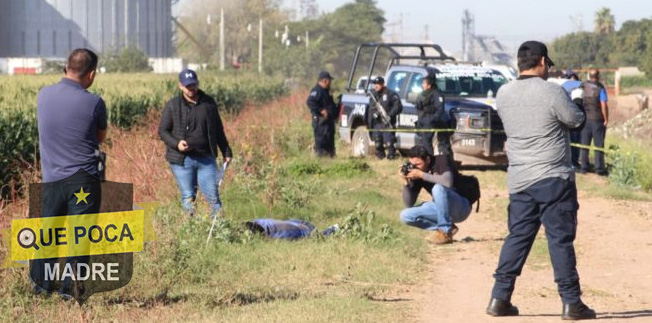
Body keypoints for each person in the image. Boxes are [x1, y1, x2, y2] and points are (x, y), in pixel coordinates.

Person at [486, 41, 595, 320]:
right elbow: (576, 121)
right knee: (560, 240)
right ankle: (571, 303)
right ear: (544, 62)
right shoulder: (552, 91)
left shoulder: (503, 92)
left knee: (518, 238)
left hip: (520, 179)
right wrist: (579, 100)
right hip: (553, 179)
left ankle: (499, 298)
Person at [35, 48, 107, 298]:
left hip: (51, 178)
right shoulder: (94, 102)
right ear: (92, 74)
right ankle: (71, 290)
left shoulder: (43, 95)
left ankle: (41, 286)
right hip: (83, 180)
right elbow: (100, 137)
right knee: (80, 235)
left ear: (66, 68)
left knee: (48, 233)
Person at [159, 69, 232, 219]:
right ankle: (192, 229)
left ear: (197, 83)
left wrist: (226, 151)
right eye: (187, 86)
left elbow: (218, 128)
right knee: (188, 197)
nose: (191, 88)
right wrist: (177, 144)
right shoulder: (173, 105)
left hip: (206, 159)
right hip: (182, 160)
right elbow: (163, 131)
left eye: (193, 84)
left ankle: (218, 230)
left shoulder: (208, 103)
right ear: (180, 86)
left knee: (213, 198)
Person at [399, 145, 471, 244]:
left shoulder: (441, 160)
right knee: (405, 215)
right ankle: (450, 228)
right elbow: (409, 203)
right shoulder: (416, 173)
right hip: (442, 208)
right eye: (412, 164)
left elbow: (447, 182)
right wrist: (406, 184)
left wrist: (422, 175)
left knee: (438, 188)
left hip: (461, 206)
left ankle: (445, 232)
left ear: (428, 160)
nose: (414, 168)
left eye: (418, 164)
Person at [578, 69, 609, 176]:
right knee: (599, 145)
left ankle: (583, 167)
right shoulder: (600, 88)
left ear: (589, 76)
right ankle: (599, 169)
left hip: (585, 120)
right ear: (598, 76)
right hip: (597, 120)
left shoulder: (583, 86)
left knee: (584, 144)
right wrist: (606, 119)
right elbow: (603, 104)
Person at [415, 73, 451, 158]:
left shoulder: (436, 94)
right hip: (422, 121)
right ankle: (424, 159)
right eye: (422, 83)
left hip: (430, 122)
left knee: (427, 143)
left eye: (424, 83)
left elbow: (439, 110)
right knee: (422, 142)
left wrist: (431, 119)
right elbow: (418, 107)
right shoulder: (422, 94)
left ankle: (430, 160)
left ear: (429, 85)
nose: (422, 85)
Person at [369, 76, 402, 159]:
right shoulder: (374, 95)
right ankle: (380, 157)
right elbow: (371, 107)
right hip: (378, 123)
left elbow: (398, 106)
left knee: (389, 142)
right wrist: (375, 113)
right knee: (378, 142)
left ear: (383, 84)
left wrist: (390, 115)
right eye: (375, 84)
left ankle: (391, 157)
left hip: (388, 123)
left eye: (378, 84)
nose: (376, 86)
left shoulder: (390, 94)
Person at [307, 71, 338, 157]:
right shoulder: (317, 91)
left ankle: (330, 158)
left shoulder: (325, 91)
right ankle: (322, 161)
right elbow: (310, 102)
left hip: (327, 123)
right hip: (321, 124)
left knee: (329, 144)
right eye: (329, 80)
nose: (330, 83)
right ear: (325, 80)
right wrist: (320, 111)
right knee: (321, 144)